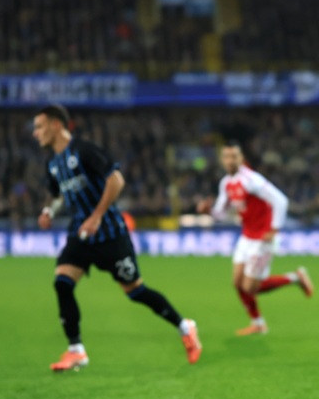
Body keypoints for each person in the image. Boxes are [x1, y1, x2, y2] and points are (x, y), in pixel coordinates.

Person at [33, 105, 202, 370]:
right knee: (62, 283)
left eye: (40, 126)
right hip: (81, 234)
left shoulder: (84, 150)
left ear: (56, 125)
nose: (35, 133)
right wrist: (48, 211)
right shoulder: (53, 163)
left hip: (110, 234)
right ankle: (76, 350)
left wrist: (97, 215)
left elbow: (116, 180)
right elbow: (56, 194)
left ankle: (185, 326)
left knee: (136, 292)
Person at [196, 141, 312, 335]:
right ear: (222, 160)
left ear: (240, 158)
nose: (230, 160)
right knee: (237, 283)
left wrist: (274, 229)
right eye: (226, 156)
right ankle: (258, 323)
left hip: (263, 239)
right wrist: (209, 211)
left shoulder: (251, 180)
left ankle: (295, 277)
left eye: (234, 156)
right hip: (246, 236)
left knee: (250, 287)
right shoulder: (226, 183)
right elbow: (221, 214)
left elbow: (280, 200)